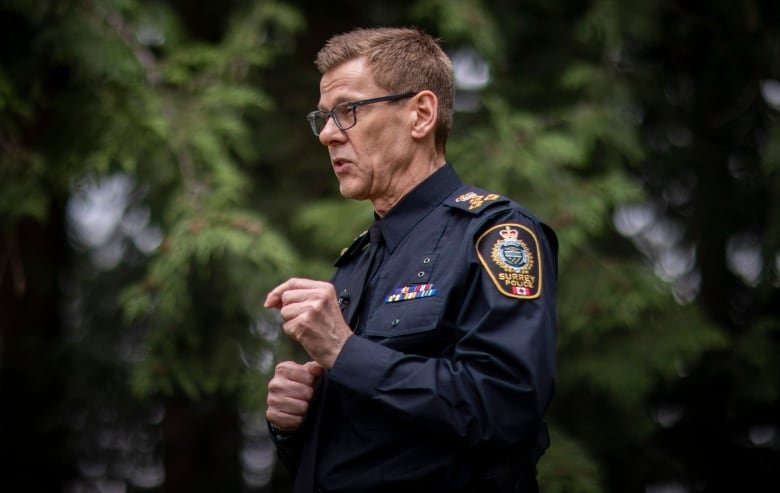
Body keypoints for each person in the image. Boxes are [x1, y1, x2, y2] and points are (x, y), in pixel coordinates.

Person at [264, 27, 557, 493]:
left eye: (347, 111)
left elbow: (506, 410)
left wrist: (345, 351)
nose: (325, 135)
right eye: (322, 116)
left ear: (420, 114)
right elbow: (365, 449)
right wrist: (295, 422)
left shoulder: (493, 235)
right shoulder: (355, 263)